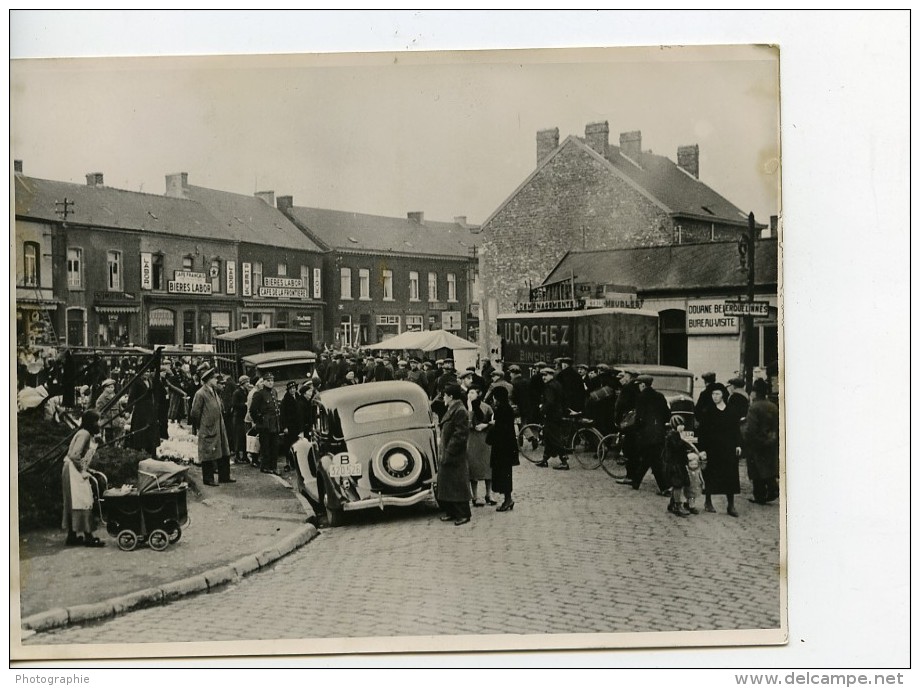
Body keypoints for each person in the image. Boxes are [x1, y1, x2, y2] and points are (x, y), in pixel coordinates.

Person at [61, 410, 105, 547]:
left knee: (75, 502)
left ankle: (72, 536)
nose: (99, 423)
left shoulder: (85, 434)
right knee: (83, 500)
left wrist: (87, 469)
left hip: (72, 469)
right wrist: (82, 471)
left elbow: (80, 457)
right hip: (73, 471)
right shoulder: (84, 434)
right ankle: (88, 536)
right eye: (97, 421)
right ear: (90, 422)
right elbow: (74, 455)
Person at [698, 382, 743, 516]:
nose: (714, 396)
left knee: (731, 475)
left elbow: (736, 429)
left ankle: (731, 505)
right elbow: (702, 432)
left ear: (723, 395)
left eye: (717, 394)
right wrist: (702, 449)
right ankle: (708, 501)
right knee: (711, 474)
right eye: (713, 394)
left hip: (728, 447)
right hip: (713, 448)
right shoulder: (708, 411)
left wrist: (738, 444)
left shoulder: (731, 410)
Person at [189, 366, 234, 487]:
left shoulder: (214, 391)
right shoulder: (201, 393)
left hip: (219, 426)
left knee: (224, 450)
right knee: (208, 453)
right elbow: (195, 413)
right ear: (208, 380)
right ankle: (208, 479)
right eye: (214, 379)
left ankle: (224, 476)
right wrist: (201, 425)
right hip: (208, 427)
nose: (217, 381)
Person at [436, 383, 472, 526]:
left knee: (457, 484)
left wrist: (449, 451)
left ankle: (463, 514)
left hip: (455, 454)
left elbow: (460, 435)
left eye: (444, 395)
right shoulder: (453, 408)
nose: (443, 398)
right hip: (448, 452)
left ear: (451, 397)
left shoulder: (460, 410)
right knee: (448, 484)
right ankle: (451, 511)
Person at [742, 379, 780, 505]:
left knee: (756, 470)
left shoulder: (754, 407)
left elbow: (751, 428)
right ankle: (772, 487)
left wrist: (746, 439)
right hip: (771, 441)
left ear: (755, 392)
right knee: (768, 467)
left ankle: (760, 495)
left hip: (757, 443)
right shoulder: (773, 406)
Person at [632, 375, 671, 493]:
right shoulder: (660, 396)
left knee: (653, 460)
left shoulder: (641, 397)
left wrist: (637, 430)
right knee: (650, 459)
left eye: (639, 384)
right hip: (658, 433)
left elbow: (639, 418)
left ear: (643, 385)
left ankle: (663, 488)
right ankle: (636, 482)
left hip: (645, 434)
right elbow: (667, 415)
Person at [488, 386, 519, 512]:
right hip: (506, 447)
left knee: (504, 474)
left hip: (502, 447)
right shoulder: (507, 409)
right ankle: (507, 498)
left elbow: (501, 429)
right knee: (505, 473)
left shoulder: (502, 410)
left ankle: (508, 500)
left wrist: (493, 426)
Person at [466, 383, 496, 507]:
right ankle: (475, 496)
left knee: (488, 467)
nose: (470, 395)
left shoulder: (487, 407)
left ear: (479, 394)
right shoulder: (466, 408)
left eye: (472, 392)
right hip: (472, 440)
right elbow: (468, 425)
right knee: (474, 469)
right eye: (469, 392)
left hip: (485, 440)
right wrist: (471, 410)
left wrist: (486, 425)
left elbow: (494, 421)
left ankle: (489, 494)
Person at [536, 367, 569, 470]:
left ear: (551, 375)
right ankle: (545, 459)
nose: (543, 377)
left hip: (551, 415)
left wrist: (542, 409)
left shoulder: (549, 387)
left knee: (554, 438)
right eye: (542, 375)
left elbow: (549, 402)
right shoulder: (558, 384)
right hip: (558, 414)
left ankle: (564, 461)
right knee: (548, 437)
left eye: (545, 375)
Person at [249, 372, 282, 475]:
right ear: (263, 382)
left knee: (274, 446)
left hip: (274, 423)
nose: (271, 382)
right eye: (268, 380)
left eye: (272, 380)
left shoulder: (274, 392)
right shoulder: (259, 394)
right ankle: (266, 466)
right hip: (264, 425)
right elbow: (253, 410)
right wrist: (260, 420)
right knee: (266, 447)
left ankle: (274, 466)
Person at [661, 416, 694, 517]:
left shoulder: (677, 435)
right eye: (680, 425)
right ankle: (677, 505)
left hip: (679, 463)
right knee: (677, 485)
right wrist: (683, 439)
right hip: (674, 464)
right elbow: (677, 446)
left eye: (683, 425)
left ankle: (672, 503)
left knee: (679, 484)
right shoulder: (672, 436)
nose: (682, 427)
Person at [614, 369, 641, 486]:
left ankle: (630, 476)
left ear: (629, 377)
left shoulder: (627, 388)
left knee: (628, 449)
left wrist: (617, 420)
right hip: (639, 422)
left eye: (625, 375)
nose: (623, 378)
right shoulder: (639, 387)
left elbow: (620, 405)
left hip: (629, 422)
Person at [125, 370, 160, 457]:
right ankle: (138, 448)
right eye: (145, 372)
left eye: (148, 372)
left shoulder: (150, 381)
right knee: (140, 428)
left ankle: (149, 448)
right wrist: (128, 411)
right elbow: (131, 396)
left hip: (149, 409)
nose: (147, 374)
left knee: (150, 429)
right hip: (140, 409)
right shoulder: (137, 383)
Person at [279, 380, 303, 472]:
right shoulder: (285, 400)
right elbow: (283, 415)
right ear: (288, 390)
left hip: (297, 425)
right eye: (291, 389)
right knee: (289, 445)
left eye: (294, 388)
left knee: (298, 443)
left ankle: (297, 463)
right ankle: (288, 463)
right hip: (290, 426)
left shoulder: (298, 397)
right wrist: (284, 427)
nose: (293, 390)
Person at [94, 378, 125, 445]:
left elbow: (119, 407)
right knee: (108, 439)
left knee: (115, 439)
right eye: (109, 387)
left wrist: (124, 414)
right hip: (107, 423)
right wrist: (104, 417)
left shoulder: (115, 396)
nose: (111, 389)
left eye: (112, 387)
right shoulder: (101, 398)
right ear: (104, 388)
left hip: (116, 422)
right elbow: (99, 411)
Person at [231, 375, 251, 464]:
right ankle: (237, 456)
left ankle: (244, 456)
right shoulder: (237, 392)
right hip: (238, 417)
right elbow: (234, 404)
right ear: (242, 383)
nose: (248, 384)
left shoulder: (246, 391)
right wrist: (245, 404)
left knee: (244, 437)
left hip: (243, 417)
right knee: (238, 437)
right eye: (247, 382)